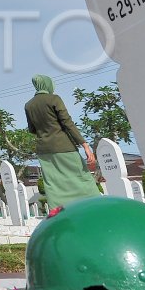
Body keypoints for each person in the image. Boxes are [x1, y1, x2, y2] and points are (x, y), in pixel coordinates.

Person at [24, 74, 100, 209]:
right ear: (48, 84)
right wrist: (85, 145)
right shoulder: (54, 99)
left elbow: (32, 129)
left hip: (44, 150)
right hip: (64, 146)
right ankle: (95, 206)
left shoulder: (29, 105)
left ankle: (58, 212)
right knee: (81, 176)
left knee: (53, 183)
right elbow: (67, 123)